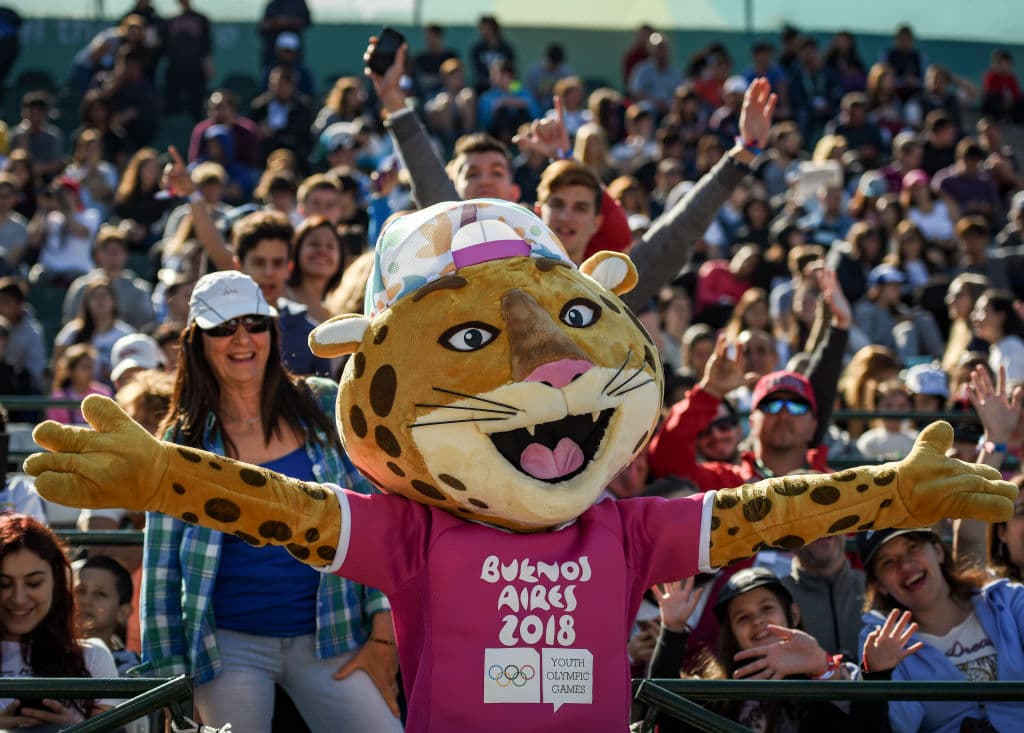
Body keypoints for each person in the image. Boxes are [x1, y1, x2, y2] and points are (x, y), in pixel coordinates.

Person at [142, 270, 401, 732]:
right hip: (227, 647)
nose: (241, 338)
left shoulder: (323, 404)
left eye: (253, 323)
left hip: (334, 631)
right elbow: (161, 573)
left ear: (271, 330)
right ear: (197, 342)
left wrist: (384, 636)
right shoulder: (181, 438)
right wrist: (170, 688)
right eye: (222, 328)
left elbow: (376, 514)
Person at [647, 567, 893, 733]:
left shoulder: (829, 669)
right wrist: (672, 628)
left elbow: (869, 728)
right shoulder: (714, 693)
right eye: (743, 618)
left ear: (793, 615)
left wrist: (823, 669)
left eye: (767, 608)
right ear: (731, 633)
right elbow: (662, 714)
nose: (757, 622)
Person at [858, 527, 1024, 733]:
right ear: (878, 585)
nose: (906, 566)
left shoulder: (1008, 601)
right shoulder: (880, 641)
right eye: (888, 562)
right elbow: (895, 727)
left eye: (913, 547)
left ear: (938, 551)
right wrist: (877, 676)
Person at [0, 514, 119, 729]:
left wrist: (72, 727)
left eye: (34, 583)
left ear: (56, 581)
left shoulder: (93, 657)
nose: (18, 598)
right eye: (3, 584)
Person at [62, 225, 154, 329]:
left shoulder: (139, 290)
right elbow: (71, 323)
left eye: (117, 251)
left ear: (126, 255)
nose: (113, 256)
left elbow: (146, 327)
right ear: (98, 255)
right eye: (107, 251)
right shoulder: (81, 287)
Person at [52, 276, 135, 382]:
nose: (100, 301)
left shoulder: (127, 334)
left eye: (104, 296)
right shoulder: (72, 332)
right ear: (87, 303)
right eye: (95, 297)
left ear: (113, 301)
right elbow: (58, 366)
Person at [73, 555, 140, 675]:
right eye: (80, 591)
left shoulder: (130, 669)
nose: (85, 601)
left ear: (122, 612)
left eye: (100, 594)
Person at [285, 216, 344, 324]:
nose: (322, 251)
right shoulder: (281, 299)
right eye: (314, 244)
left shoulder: (337, 313)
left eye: (330, 246)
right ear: (296, 250)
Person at [45, 344, 113, 425]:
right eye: (84, 367)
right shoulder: (57, 398)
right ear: (71, 371)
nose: (89, 372)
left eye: (91, 367)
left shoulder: (104, 394)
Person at [971, 288, 1024, 382]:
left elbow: (1013, 388)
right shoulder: (998, 348)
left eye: (982, 311)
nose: (974, 317)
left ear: (1000, 316)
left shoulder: (1011, 345)